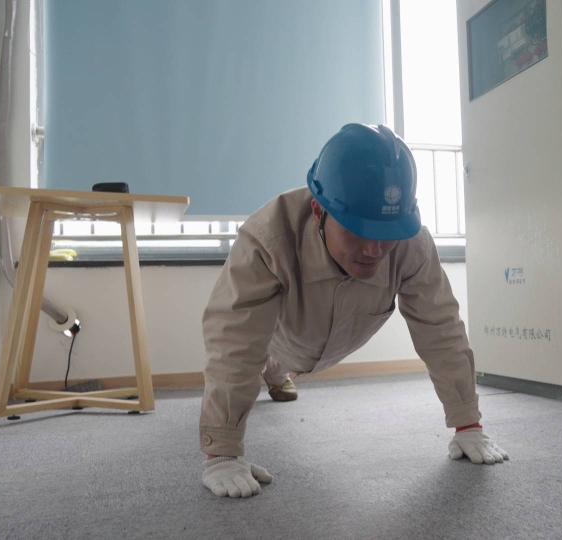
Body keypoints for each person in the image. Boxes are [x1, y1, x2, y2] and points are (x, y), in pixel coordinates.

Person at [199, 123, 509, 499]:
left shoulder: (412, 244)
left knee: (284, 358)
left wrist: (468, 423)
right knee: (262, 351)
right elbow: (235, 339)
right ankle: (275, 371)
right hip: (280, 331)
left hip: (335, 334)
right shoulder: (267, 241)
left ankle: (277, 373)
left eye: (386, 233)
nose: (374, 250)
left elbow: (440, 328)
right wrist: (222, 451)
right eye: (358, 231)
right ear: (318, 210)